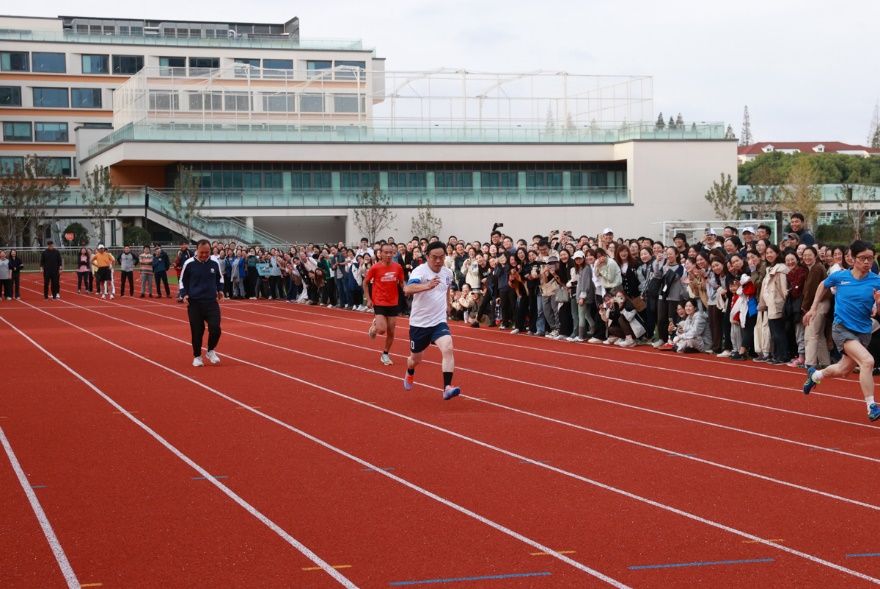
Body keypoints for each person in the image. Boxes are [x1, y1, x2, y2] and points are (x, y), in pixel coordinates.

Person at [802, 240, 880, 422]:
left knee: (844, 370)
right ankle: (872, 406)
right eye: (863, 258)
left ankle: (815, 375)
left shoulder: (876, 280)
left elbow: (879, 309)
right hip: (842, 329)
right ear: (852, 258)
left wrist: (877, 302)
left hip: (863, 331)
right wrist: (813, 308)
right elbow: (823, 285)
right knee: (867, 361)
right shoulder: (840, 276)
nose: (867, 262)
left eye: (870, 258)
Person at [402, 241, 461, 400]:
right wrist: (427, 286)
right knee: (415, 359)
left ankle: (447, 387)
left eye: (441, 257)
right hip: (419, 324)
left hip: (438, 321)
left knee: (448, 347)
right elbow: (407, 289)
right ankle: (410, 371)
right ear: (427, 256)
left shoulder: (447, 272)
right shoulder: (419, 272)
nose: (438, 261)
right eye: (434, 257)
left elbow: (447, 287)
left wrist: (448, 304)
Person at [179, 239, 224, 368]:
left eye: (207, 252)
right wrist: (184, 294)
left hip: (211, 302)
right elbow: (182, 280)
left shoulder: (214, 262)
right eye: (202, 252)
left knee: (215, 329)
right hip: (195, 303)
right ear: (197, 250)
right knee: (197, 331)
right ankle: (197, 356)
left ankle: (210, 351)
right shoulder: (189, 263)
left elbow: (219, 278)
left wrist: (220, 290)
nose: (205, 255)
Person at [364, 243, 406, 366]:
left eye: (391, 252)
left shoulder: (398, 267)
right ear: (380, 254)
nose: (388, 255)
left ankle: (385, 354)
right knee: (382, 330)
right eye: (386, 252)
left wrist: (407, 289)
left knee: (391, 331)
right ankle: (375, 327)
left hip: (393, 302)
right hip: (379, 301)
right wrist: (368, 299)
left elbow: (402, 282)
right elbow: (365, 283)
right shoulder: (375, 268)